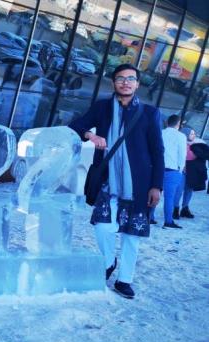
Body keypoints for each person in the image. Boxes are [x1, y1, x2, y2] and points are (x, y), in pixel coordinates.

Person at [68, 63, 164, 299]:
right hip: (108, 181)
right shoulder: (102, 108)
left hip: (140, 184)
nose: (126, 82)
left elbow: (158, 151)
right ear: (114, 82)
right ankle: (109, 261)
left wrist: (156, 185)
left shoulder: (150, 113)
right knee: (102, 227)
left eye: (131, 79)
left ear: (138, 84)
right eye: (121, 78)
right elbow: (75, 125)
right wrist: (92, 135)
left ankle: (124, 279)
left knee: (131, 236)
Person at [176, 128, 209, 218]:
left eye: (194, 133)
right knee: (178, 191)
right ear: (185, 134)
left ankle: (185, 208)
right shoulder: (181, 143)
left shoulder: (196, 144)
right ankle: (175, 209)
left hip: (192, 172)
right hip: (181, 171)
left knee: (189, 190)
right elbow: (190, 156)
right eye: (191, 134)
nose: (194, 135)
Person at [161, 114, 186, 229]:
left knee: (153, 193)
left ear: (167, 122)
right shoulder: (181, 136)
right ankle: (168, 220)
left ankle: (149, 217)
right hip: (173, 170)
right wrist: (180, 169)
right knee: (169, 197)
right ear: (178, 124)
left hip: (158, 168)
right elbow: (182, 154)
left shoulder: (160, 133)